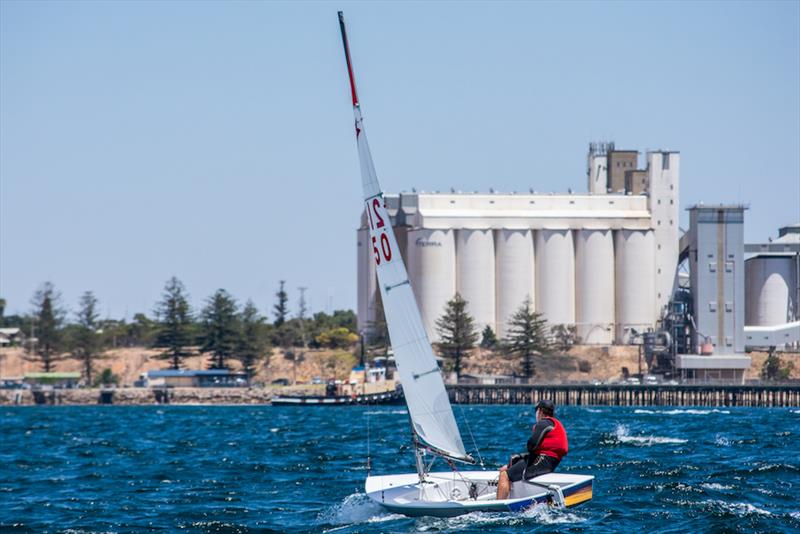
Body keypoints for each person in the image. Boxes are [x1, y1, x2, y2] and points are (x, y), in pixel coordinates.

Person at [496, 399, 569, 500]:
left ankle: (499, 505)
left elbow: (532, 445)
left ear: (539, 411)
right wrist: (512, 464)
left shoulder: (544, 423)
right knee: (513, 460)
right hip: (550, 461)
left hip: (544, 459)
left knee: (504, 475)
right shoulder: (555, 423)